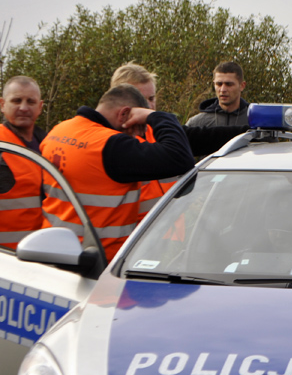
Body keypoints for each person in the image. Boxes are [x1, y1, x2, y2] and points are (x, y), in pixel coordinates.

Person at [41, 84, 195, 260]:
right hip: (98, 262)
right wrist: (154, 115)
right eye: (138, 126)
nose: (137, 135)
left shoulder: (58, 131)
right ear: (124, 114)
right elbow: (180, 158)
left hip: (52, 251)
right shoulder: (110, 145)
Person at [110, 62, 246, 220]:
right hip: (137, 241)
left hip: (169, 239)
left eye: (152, 98)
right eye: (141, 99)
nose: (149, 106)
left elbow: (206, 137)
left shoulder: (158, 133)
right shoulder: (113, 143)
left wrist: (256, 129)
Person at [0, 76, 46, 249]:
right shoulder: (1, 146)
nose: (24, 108)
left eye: (30, 101)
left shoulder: (49, 146)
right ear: (3, 104)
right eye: (17, 101)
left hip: (42, 252)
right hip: (7, 259)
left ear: (40, 107)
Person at [186, 61, 249, 127]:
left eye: (229, 84)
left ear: (242, 86)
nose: (223, 90)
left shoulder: (255, 121)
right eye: (219, 84)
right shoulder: (196, 124)